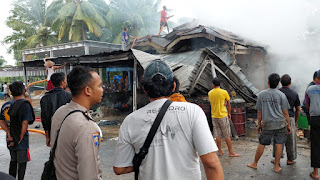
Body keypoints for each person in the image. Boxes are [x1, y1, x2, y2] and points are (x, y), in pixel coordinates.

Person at [113, 60, 224, 179]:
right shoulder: (193, 112)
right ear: (173, 86)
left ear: (144, 88)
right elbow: (211, 164)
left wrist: (147, 162)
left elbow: (120, 168)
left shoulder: (130, 120)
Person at [50, 66, 103, 179]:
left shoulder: (60, 112)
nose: (102, 89)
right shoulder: (86, 126)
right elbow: (89, 176)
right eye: (99, 86)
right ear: (87, 90)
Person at [247, 73, 291, 173]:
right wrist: (289, 125)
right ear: (278, 83)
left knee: (262, 143)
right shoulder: (281, 95)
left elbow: (259, 111)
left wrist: (259, 124)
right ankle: (276, 166)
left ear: (268, 82)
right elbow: (285, 112)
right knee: (279, 143)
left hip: (267, 124)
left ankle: (254, 164)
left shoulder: (261, 94)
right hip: (280, 123)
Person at [0, 81, 35, 180]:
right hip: (21, 138)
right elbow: (24, 123)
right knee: (22, 162)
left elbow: (1, 121)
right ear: (24, 91)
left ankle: (10, 178)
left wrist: (9, 132)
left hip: (10, 137)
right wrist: (20, 138)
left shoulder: (5, 105)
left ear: (10, 92)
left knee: (13, 160)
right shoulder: (25, 105)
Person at [271, 74, 300, 165]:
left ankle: (277, 160)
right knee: (290, 140)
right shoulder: (294, 94)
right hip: (290, 118)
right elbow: (298, 109)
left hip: (278, 118)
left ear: (280, 83)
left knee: (278, 139)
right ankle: (290, 160)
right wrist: (295, 121)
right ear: (290, 83)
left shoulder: (276, 93)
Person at [208, 78, 240, 157]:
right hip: (222, 115)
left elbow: (213, 102)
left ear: (213, 85)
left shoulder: (210, 93)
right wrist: (229, 113)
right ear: (220, 84)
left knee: (217, 135)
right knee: (227, 134)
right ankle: (231, 152)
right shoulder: (224, 92)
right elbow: (228, 104)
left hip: (214, 116)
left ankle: (220, 151)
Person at [40, 72, 72, 147]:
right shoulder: (69, 96)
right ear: (62, 82)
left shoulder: (45, 98)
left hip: (53, 132)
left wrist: (47, 137)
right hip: (68, 131)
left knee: (56, 154)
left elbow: (44, 119)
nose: (65, 82)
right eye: (65, 80)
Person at [304, 69, 320, 180]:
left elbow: (306, 105)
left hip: (315, 119)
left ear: (317, 78)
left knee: (315, 145)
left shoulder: (310, 89)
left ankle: (315, 173)